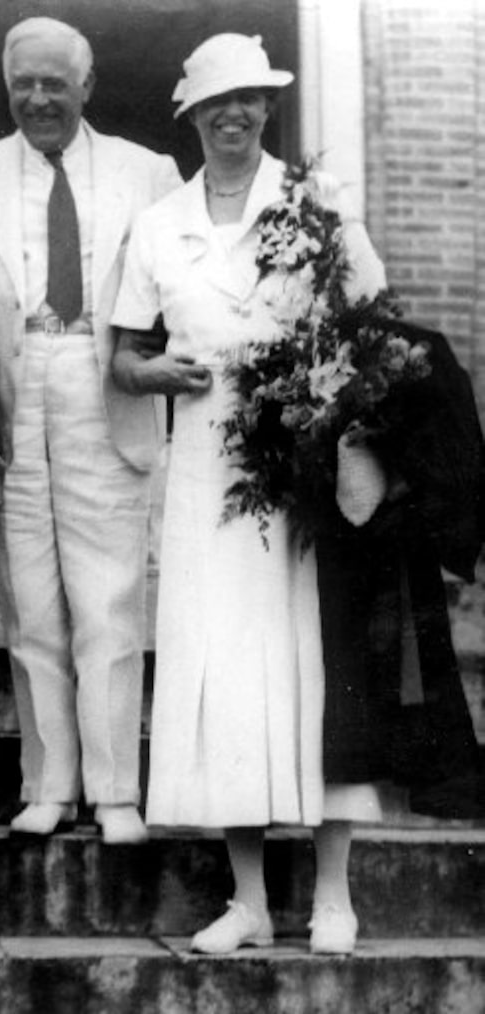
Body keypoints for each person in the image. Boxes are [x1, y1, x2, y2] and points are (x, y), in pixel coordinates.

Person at [111, 33, 402, 955]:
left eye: (249, 100)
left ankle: (333, 896)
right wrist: (160, 373)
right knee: (223, 671)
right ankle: (246, 899)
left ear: (267, 110)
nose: (232, 115)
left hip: (309, 468)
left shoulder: (316, 203)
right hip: (206, 471)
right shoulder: (159, 224)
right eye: (215, 103)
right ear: (190, 116)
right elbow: (121, 356)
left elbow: (372, 322)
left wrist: (328, 397)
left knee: (321, 667)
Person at [0, 17, 182, 843]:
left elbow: (176, 293)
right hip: (13, 387)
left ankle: (116, 793)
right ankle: (48, 784)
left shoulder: (147, 173)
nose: (38, 98)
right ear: (8, 86)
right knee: (32, 601)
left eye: (54, 83)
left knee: (109, 598)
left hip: (103, 376)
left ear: (87, 86)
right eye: (23, 84)